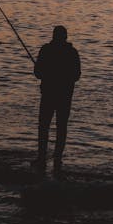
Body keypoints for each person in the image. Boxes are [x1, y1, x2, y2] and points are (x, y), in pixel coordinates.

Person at [33, 25, 81, 177]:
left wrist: (46, 73)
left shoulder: (46, 50)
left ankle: (41, 158)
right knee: (61, 127)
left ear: (54, 36)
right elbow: (77, 75)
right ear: (65, 37)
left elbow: (37, 73)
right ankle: (57, 158)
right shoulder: (72, 52)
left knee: (43, 126)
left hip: (48, 94)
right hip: (65, 96)